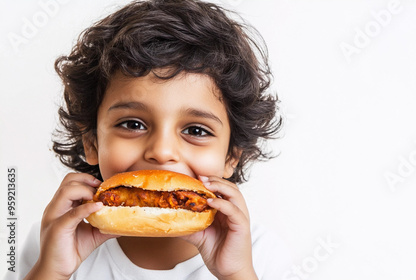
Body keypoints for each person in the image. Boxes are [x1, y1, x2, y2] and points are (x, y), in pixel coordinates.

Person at [17, 0, 289, 279]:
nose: (161, 151)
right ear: (92, 142)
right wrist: (52, 270)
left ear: (232, 155)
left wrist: (236, 274)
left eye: (196, 131)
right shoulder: (51, 244)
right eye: (132, 124)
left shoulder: (261, 255)